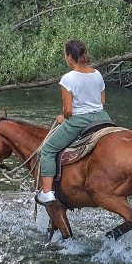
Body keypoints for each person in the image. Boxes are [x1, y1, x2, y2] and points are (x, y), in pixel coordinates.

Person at [35, 39, 111, 205]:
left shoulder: (68, 79)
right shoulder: (97, 74)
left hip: (80, 121)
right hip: (102, 117)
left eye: (65, 55)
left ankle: (47, 192)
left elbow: (68, 111)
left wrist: (63, 117)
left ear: (69, 56)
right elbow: (102, 101)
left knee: (47, 149)